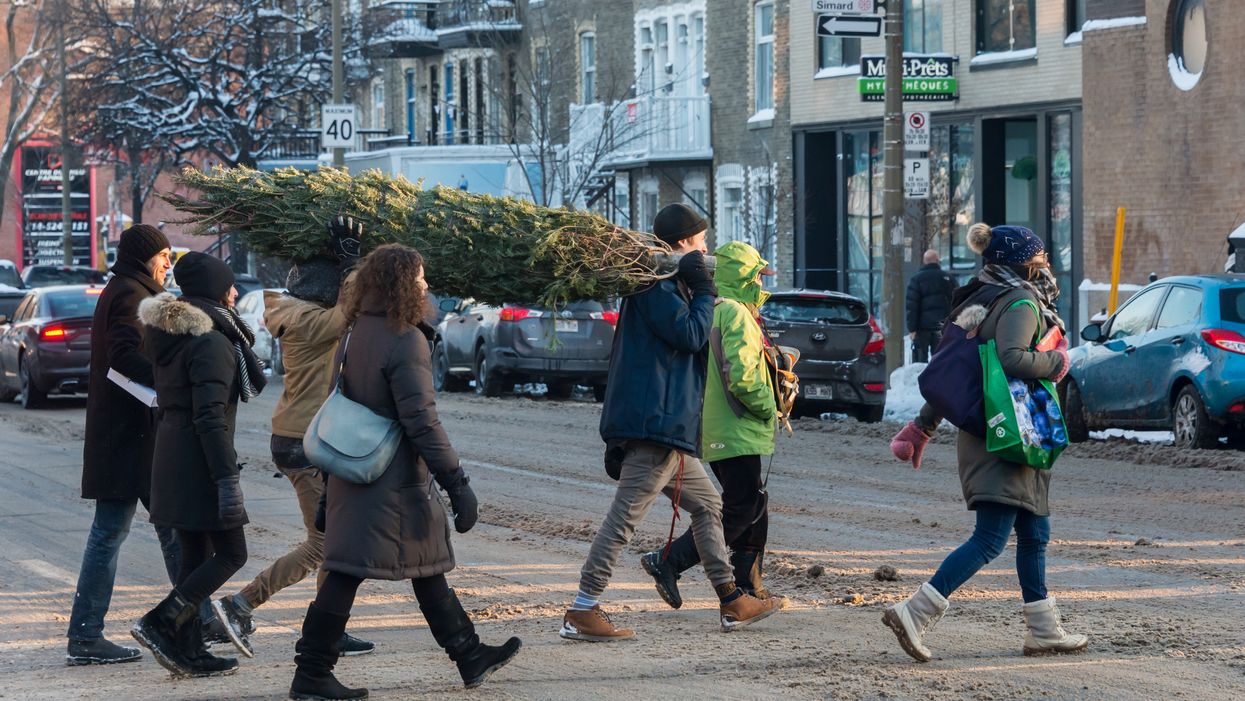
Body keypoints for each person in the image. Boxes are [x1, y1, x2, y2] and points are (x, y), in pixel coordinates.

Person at [288, 244, 520, 701]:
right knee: (347, 572)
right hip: (390, 481)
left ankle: (469, 655)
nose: (426, 286)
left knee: (421, 566)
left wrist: (326, 493)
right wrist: (458, 484)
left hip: (355, 475)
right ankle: (312, 674)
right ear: (401, 285)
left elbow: (342, 406)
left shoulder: (354, 332)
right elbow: (422, 421)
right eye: (419, 279)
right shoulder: (404, 337)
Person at [560, 203, 782, 643]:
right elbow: (691, 334)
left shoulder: (666, 283)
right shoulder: (653, 286)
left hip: (669, 426)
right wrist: (702, 291)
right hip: (652, 426)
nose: (705, 249)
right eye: (700, 241)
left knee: (709, 506)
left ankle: (732, 600)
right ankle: (583, 609)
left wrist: (696, 287)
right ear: (682, 244)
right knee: (623, 520)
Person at [886, 223, 1087, 662]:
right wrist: (1057, 360)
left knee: (1035, 531)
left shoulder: (981, 299)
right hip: (1008, 436)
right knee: (991, 538)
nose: (1048, 267)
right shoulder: (1021, 301)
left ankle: (1043, 629)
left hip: (998, 432)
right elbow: (1014, 358)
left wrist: (923, 426)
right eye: (1042, 260)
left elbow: (955, 373)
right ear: (1027, 264)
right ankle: (915, 612)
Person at [205, 218, 372, 658]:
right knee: (323, 544)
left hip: (306, 436)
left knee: (333, 541)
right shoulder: (309, 321)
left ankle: (328, 626)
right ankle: (239, 605)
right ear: (323, 292)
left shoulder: (298, 312)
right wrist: (353, 264)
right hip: (306, 442)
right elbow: (347, 314)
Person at [131, 252, 265, 677]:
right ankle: (162, 621)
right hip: (198, 463)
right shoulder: (212, 342)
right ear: (215, 291)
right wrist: (226, 479)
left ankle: (188, 649)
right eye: (229, 286)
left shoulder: (172, 335)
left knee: (193, 554)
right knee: (231, 552)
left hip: (171, 455)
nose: (236, 292)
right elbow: (209, 418)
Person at [639, 240, 782, 608]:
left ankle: (749, 585)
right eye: (758, 276)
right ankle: (670, 561)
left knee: (753, 503)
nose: (762, 284)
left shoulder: (710, 309)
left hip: (718, 426)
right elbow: (744, 377)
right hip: (736, 426)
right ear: (742, 276)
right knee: (739, 507)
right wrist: (771, 408)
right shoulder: (735, 313)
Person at [66, 224, 181, 666]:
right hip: (128, 438)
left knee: (168, 528)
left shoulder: (128, 289)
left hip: (131, 436)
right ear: (144, 257)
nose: (169, 264)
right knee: (118, 532)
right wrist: (172, 376)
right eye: (164, 256)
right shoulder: (131, 294)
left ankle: (193, 616)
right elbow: (124, 356)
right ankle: (86, 635)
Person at [906, 249, 956, 363]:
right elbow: (956, 302)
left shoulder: (916, 280)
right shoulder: (948, 279)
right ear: (938, 261)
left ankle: (920, 380)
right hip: (942, 327)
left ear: (924, 261)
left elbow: (912, 306)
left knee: (919, 362)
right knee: (940, 361)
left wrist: (912, 329)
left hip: (921, 328)